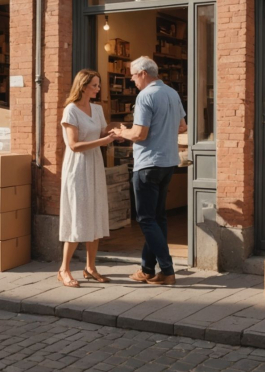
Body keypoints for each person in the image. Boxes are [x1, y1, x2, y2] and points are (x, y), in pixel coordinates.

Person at [112, 57, 186, 286]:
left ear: (143, 73)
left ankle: (167, 270)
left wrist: (120, 132)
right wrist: (163, 132)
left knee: (145, 219)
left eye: (133, 76)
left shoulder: (145, 96)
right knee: (158, 218)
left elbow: (139, 135)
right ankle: (146, 269)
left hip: (148, 164)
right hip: (168, 162)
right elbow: (182, 126)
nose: (132, 80)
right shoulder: (172, 93)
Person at [57, 69, 122, 288]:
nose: (98, 89)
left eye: (98, 85)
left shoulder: (97, 108)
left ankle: (90, 267)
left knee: (95, 214)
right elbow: (74, 145)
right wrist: (103, 142)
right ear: (83, 86)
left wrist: (116, 131)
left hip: (94, 166)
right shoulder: (71, 111)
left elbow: (102, 131)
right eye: (94, 85)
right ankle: (64, 269)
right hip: (77, 168)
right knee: (77, 216)